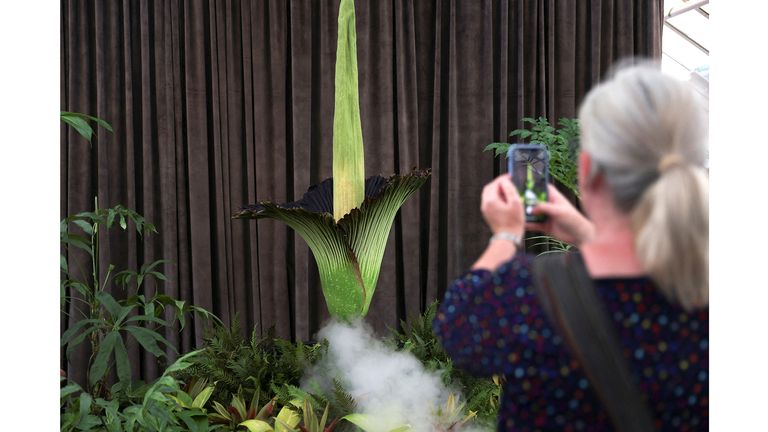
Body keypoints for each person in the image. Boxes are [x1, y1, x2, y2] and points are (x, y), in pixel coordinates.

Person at [433, 62, 708, 431]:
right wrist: (585, 233)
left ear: (588, 170)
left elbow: (456, 327)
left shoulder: (529, 293)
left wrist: (505, 235)